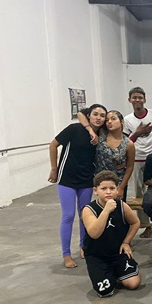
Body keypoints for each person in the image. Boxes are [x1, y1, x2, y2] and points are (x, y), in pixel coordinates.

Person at [48, 104, 107, 268]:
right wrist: (54, 169)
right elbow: (53, 145)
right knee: (68, 215)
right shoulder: (74, 129)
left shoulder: (102, 135)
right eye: (95, 114)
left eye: (102, 115)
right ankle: (66, 254)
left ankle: (83, 246)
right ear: (89, 115)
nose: (98, 118)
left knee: (84, 215)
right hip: (67, 179)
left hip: (86, 180)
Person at [81, 171, 141, 297]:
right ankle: (109, 273)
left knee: (133, 283)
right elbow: (94, 234)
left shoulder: (121, 206)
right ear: (95, 191)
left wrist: (126, 242)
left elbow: (135, 222)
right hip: (97, 256)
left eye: (112, 188)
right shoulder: (88, 210)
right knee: (105, 291)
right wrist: (106, 211)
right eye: (103, 189)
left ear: (117, 190)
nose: (108, 192)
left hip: (117, 253)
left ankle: (118, 271)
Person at [123, 87, 152, 237]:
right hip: (137, 158)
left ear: (145, 99)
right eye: (134, 97)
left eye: (140, 97)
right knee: (140, 193)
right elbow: (125, 141)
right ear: (129, 100)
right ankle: (146, 225)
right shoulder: (127, 120)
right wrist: (138, 133)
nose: (137, 100)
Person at [94, 110, 135, 202]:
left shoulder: (128, 144)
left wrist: (121, 187)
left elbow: (130, 167)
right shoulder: (100, 136)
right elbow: (82, 115)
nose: (109, 122)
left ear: (122, 121)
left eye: (113, 119)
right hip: (101, 182)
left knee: (117, 207)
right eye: (107, 120)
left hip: (118, 183)